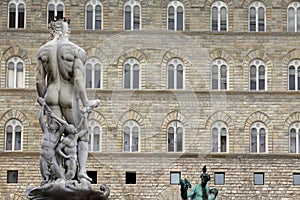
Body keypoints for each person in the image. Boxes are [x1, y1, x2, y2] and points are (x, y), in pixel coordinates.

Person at [36, 17, 100, 182]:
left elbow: (39, 80)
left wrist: (43, 100)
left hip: (50, 96)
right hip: (68, 97)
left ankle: (56, 177)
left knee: (54, 135)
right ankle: (82, 172)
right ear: (67, 31)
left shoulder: (43, 51)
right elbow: (78, 80)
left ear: (52, 30)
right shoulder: (76, 51)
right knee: (82, 134)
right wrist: (86, 102)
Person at [38, 97, 66, 186]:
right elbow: (41, 120)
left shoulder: (57, 135)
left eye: (53, 124)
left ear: (56, 126)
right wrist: (43, 107)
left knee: (60, 175)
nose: (50, 125)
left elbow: (65, 124)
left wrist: (54, 117)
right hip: (43, 157)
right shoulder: (46, 131)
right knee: (45, 178)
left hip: (51, 157)